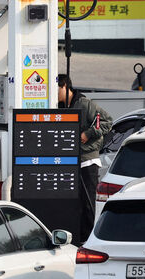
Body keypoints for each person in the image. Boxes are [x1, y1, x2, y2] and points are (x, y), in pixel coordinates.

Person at [58, 74, 112, 243]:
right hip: (70, 162)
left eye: (57, 89)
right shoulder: (59, 106)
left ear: (65, 86)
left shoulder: (84, 104)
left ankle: (87, 239)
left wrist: (87, 134)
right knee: (74, 204)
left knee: (88, 203)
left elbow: (107, 121)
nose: (55, 93)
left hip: (87, 161)